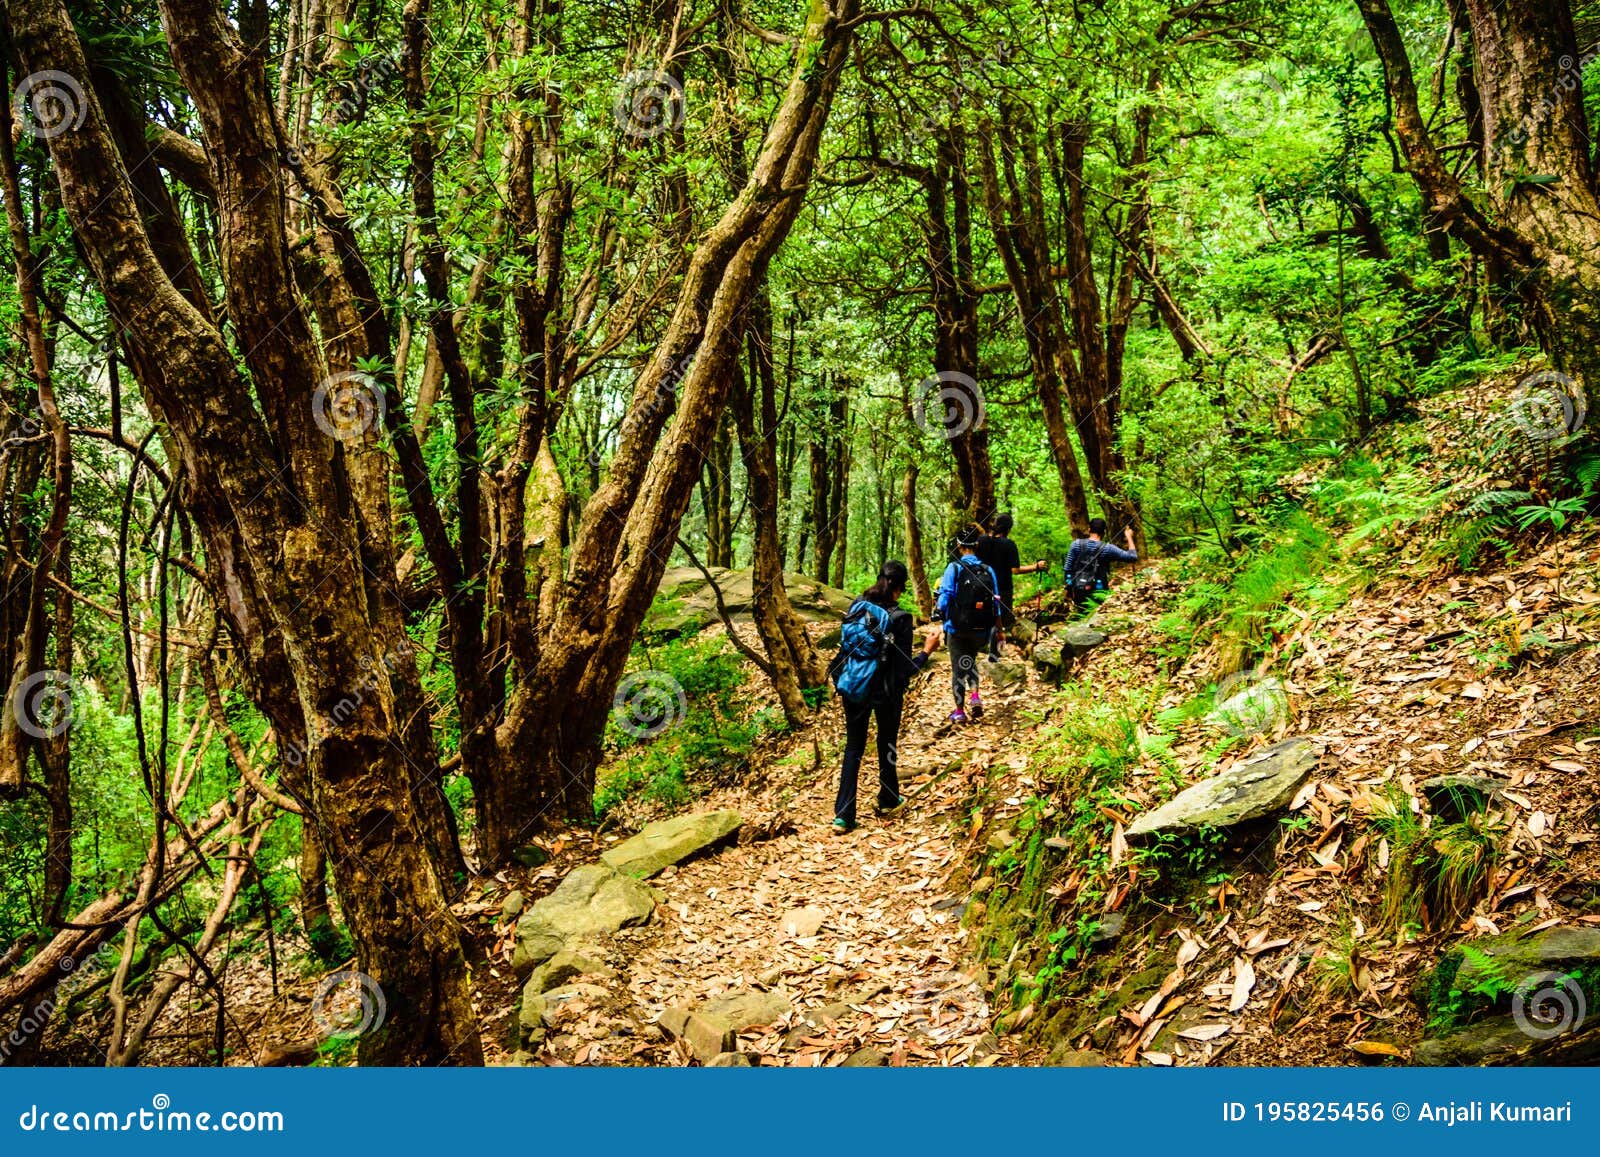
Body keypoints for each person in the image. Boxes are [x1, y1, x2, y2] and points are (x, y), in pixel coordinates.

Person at [830, 561, 940, 834]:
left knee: (853, 747)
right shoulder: (901, 619)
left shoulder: (858, 605)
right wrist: (927, 650)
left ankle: (843, 815)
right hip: (885, 693)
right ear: (901, 587)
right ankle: (888, 797)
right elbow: (904, 671)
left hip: (853, 685)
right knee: (886, 742)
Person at [937, 527, 1005, 725]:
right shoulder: (988, 570)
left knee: (958, 669)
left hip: (957, 629)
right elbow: (996, 602)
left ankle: (959, 711)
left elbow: (945, 597)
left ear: (959, 546)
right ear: (976, 545)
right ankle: (975, 696)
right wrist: (1000, 630)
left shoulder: (954, 568)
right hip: (980, 630)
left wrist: (940, 613)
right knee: (970, 660)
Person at [975, 512, 1048, 657]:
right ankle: (1000, 650)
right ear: (1008, 529)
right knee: (1003, 620)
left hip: (982, 586)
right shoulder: (1008, 544)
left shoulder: (982, 541)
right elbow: (1015, 570)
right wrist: (1036, 566)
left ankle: (984, 645)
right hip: (1003, 588)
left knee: (985, 617)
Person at [1064, 517, 1139, 608]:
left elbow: (1067, 568)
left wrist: (1069, 588)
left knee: (1080, 613)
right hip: (1099, 589)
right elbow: (1132, 557)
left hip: (1078, 588)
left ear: (1089, 529)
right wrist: (1129, 536)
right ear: (1104, 532)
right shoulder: (1108, 548)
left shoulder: (1075, 544)